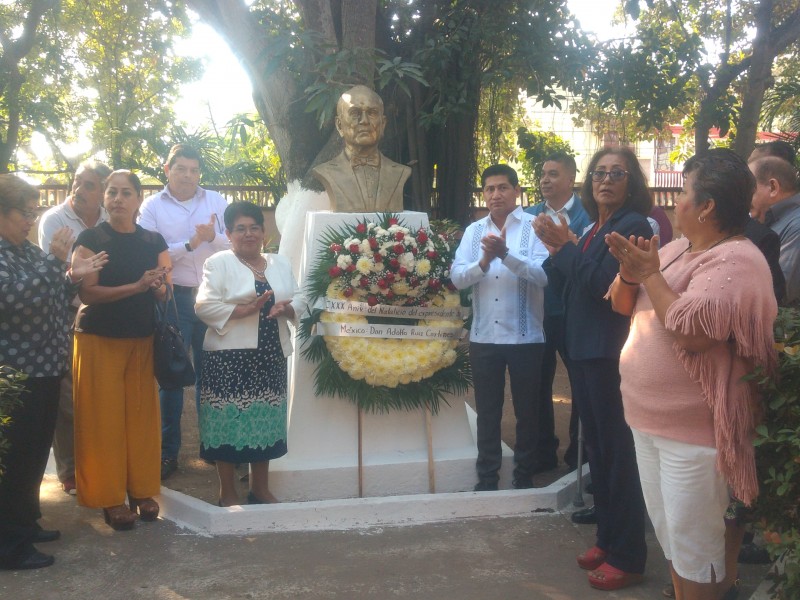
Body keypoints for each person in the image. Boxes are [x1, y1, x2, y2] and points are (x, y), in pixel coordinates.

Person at [606, 148, 777, 600]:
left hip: (692, 432)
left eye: (683, 192)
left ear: (707, 207)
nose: (673, 202)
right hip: (648, 420)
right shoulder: (678, 248)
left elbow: (693, 332)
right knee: (671, 536)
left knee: (694, 544)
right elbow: (622, 304)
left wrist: (651, 276)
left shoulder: (737, 261)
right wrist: (630, 274)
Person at [533, 147, 652, 590]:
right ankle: (607, 536)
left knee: (617, 454)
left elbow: (607, 287)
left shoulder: (633, 225)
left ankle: (628, 554)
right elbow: (570, 277)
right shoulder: (594, 227)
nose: (605, 180)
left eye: (616, 173)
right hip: (583, 350)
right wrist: (557, 247)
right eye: (599, 172)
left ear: (631, 181)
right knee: (597, 450)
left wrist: (566, 248)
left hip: (608, 352)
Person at [0, 174, 106, 569]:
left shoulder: (23, 251)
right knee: (16, 458)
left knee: (34, 453)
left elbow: (48, 291)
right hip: (15, 373)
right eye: (23, 213)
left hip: (45, 367)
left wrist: (72, 277)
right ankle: (10, 543)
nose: (29, 220)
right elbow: (12, 298)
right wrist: (55, 262)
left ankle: (25, 522)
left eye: (32, 212)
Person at [72, 170, 171, 531]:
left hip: (141, 338)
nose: (117, 199)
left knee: (142, 419)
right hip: (98, 338)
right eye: (111, 192)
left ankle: (142, 491)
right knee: (104, 421)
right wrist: (136, 286)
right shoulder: (91, 238)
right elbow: (87, 293)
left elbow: (164, 290)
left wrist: (159, 287)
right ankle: (110, 498)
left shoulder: (152, 239)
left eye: (126, 193)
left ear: (138, 199)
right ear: (103, 198)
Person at [194, 202, 306, 505]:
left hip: (270, 354)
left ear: (263, 232)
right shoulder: (218, 263)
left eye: (254, 228)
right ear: (229, 234)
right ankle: (227, 492)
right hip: (230, 357)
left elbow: (300, 299)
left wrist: (288, 307)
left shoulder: (279, 262)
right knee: (228, 423)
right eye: (240, 229)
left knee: (265, 422)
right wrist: (243, 310)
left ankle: (259, 488)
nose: (248, 234)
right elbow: (203, 306)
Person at [451, 164, 549, 491]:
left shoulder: (536, 228)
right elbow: (456, 277)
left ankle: (524, 476)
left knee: (527, 412)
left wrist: (505, 254)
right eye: (490, 189)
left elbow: (543, 276)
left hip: (526, 337)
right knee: (488, 412)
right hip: (484, 337)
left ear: (516, 191)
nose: (496, 194)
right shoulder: (473, 232)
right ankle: (487, 478)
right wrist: (482, 263)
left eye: (503, 187)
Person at [138, 143, 230, 480]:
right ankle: (167, 453)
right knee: (172, 378)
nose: (188, 176)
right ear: (167, 169)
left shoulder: (216, 201)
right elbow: (149, 254)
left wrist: (212, 238)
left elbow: (234, 244)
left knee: (213, 376)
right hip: (172, 300)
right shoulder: (151, 207)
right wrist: (191, 244)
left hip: (213, 298)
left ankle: (214, 447)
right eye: (181, 169)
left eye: (194, 169)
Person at [38, 160, 112, 495]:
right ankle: (69, 470)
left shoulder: (113, 219)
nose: (79, 190)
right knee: (68, 396)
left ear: (103, 191)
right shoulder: (55, 220)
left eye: (89, 184)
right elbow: (53, 270)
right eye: (77, 182)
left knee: (97, 394)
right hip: (66, 314)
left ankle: (99, 464)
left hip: (104, 313)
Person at [524, 152, 590, 472]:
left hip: (575, 312)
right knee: (538, 381)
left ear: (570, 179)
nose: (545, 180)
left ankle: (580, 454)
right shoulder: (527, 216)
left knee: (581, 381)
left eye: (553, 174)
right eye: (543, 173)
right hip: (537, 311)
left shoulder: (588, 215)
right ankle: (542, 451)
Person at [312, 85, 411, 213]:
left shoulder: (400, 172)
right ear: (339, 125)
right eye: (355, 113)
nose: (364, 121)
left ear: (383, 124)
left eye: (372, 113)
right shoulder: (326, 172)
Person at [749, 155, 800, 305]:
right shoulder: (765, 218)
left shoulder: (796, 225)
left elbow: (780, 293)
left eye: (748, 188)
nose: (742, 196)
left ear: (772, 188)